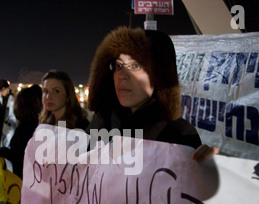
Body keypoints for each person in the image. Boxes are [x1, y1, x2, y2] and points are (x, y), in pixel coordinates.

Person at [86, 26, 218, 161]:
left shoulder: (180, 134)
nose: (121, 76)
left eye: (136, 65)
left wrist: (207, 169)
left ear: (160, 75)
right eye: (118, 65)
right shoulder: (102, 121)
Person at [0, 85, 42, 179]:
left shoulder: (25, 127)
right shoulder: (37, 123)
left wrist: (1, 151)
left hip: (24, 179)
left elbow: (20, 156)